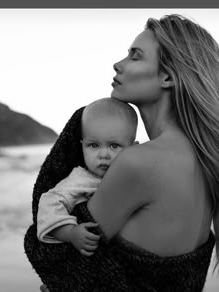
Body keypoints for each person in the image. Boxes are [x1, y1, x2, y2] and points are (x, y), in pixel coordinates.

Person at [25, 14, 218, 292]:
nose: (118, 64)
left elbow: (58, 256)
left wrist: (79, 125)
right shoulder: (205, 159)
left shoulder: (139, 162)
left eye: (135, 56)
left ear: (167, 76)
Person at [36, 98, 138, 256]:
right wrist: (71, 233)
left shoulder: (139, 175)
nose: (103, 155)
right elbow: (48, 204)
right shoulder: (81, 180)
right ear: (82, 145)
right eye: (93, 145)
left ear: (133, 148)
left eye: (114, 145)